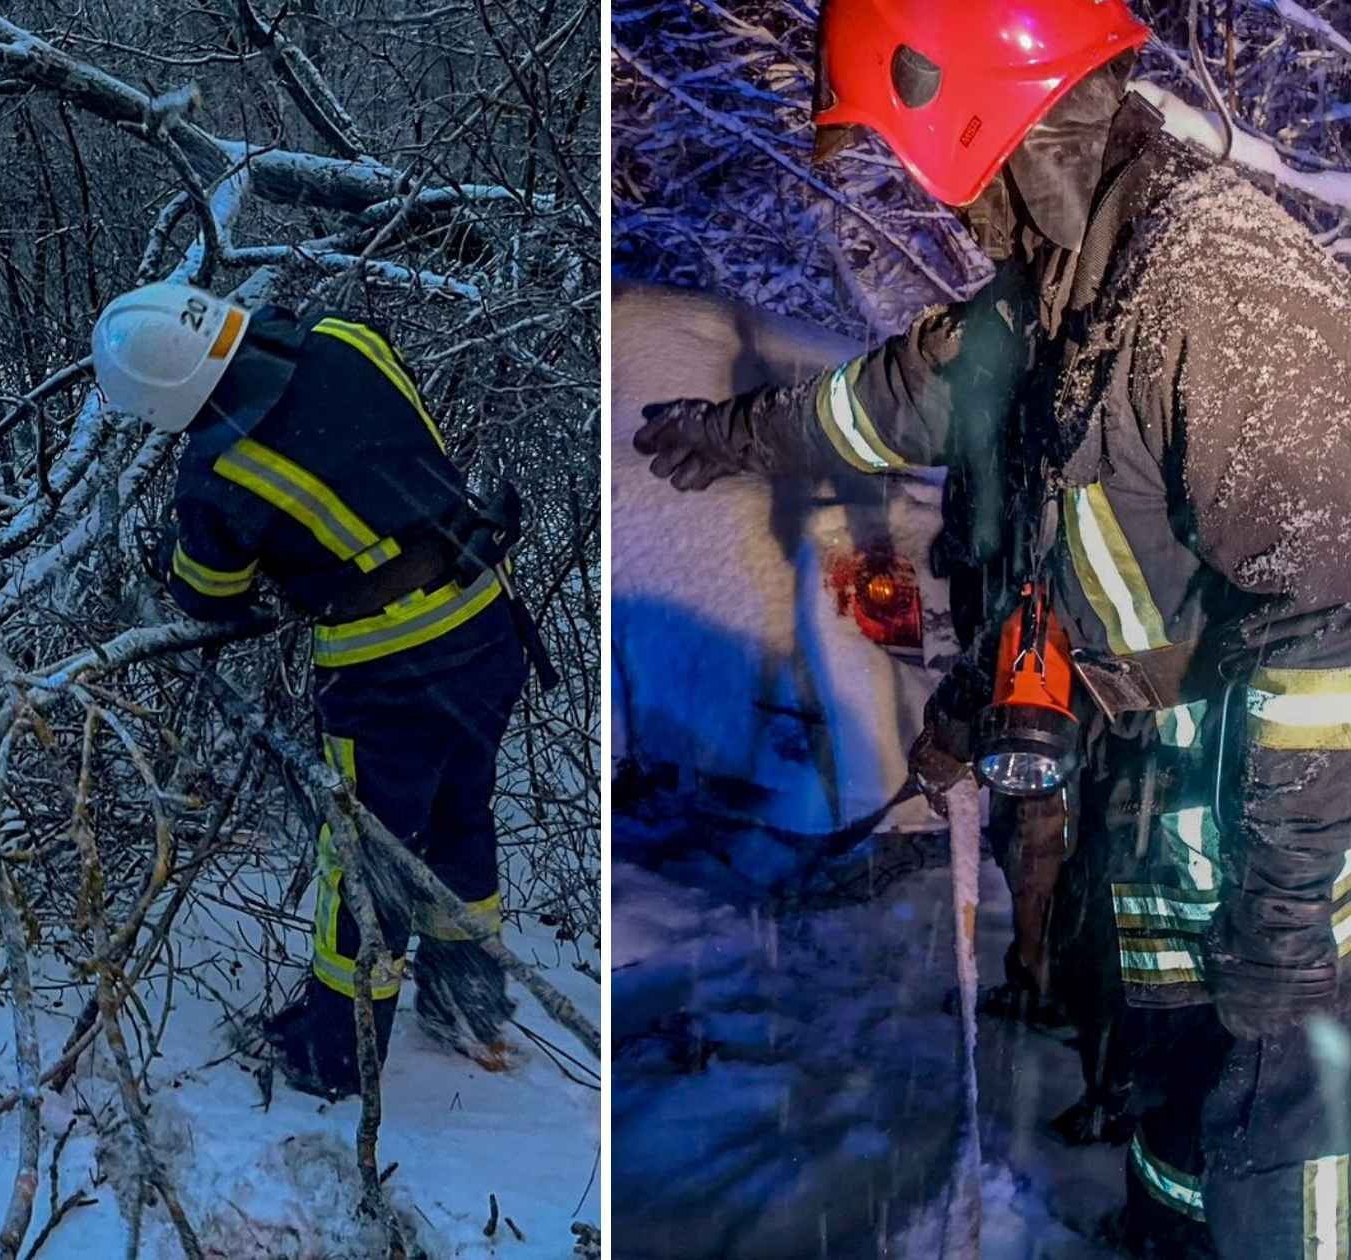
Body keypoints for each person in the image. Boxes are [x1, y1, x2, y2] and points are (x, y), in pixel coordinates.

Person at [631, 2, 1351, 1254]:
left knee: (1287, 1164)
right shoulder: (1068, 292)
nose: (911, 180)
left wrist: (1284, 927)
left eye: (902, 143)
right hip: (1175, 802)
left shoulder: (1216, 282)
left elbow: (1333, 616)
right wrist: (729, 438)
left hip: (1294, 862)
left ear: (956, 97)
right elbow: (888, 403)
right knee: (1179, 1111)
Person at [90, 282, 552, 1101]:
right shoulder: (343, 339)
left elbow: (209, 599)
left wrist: (176, 550)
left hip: (391, 672)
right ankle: (468, 1002)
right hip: (489, 621)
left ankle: (340, 1053)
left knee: (365, 860)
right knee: (459, 814)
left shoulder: (220, 474)